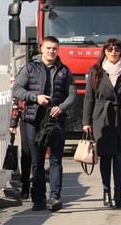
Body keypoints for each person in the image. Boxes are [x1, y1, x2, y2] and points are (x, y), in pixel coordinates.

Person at [11, 36, 76, 212]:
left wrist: (61, 107)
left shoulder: (64, 70)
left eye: (54, 48)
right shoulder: (30, 68)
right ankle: (38, 199)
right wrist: (35, 97)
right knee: (37, 161)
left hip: (56, 121)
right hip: (34, 120)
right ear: (41, 48)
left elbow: (72, 94)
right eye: (48, 48)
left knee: (55, 159)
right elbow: (16, 89)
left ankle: (55, 197)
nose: (51, 52)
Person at [82, 38, 121, 209]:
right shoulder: (95, 71)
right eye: (110, 49)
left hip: (120, 116)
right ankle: (106, 191)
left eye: (117, 49)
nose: (113, 52)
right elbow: (88, 98)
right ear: (104, 51)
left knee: (119, 157)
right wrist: (86, 122)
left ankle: (118, 194)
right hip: (101, 117)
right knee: (105, 157)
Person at [7, 98, 32, 200]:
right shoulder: (22, 82)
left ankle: (38, 190)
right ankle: (25, 187)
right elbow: (17, 102)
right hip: (25, 119)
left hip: (41, 119)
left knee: (37, 157)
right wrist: (13, 123)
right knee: (26, 154)